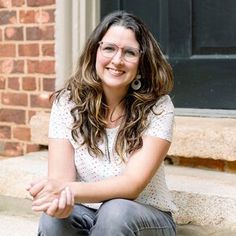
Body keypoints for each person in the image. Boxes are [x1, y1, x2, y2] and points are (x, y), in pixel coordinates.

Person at [27, 10, 177, 236]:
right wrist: (61, 202)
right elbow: (61, 180)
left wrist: (68, 190)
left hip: (143, 216)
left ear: (141, 61)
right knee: (52, 221)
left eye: (129, 53)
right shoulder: (67, 103)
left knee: (114, 212)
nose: (117, 60)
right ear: (95, 51)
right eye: (109, 48)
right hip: (86, 211)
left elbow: (132, 185)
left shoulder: (158, 107)